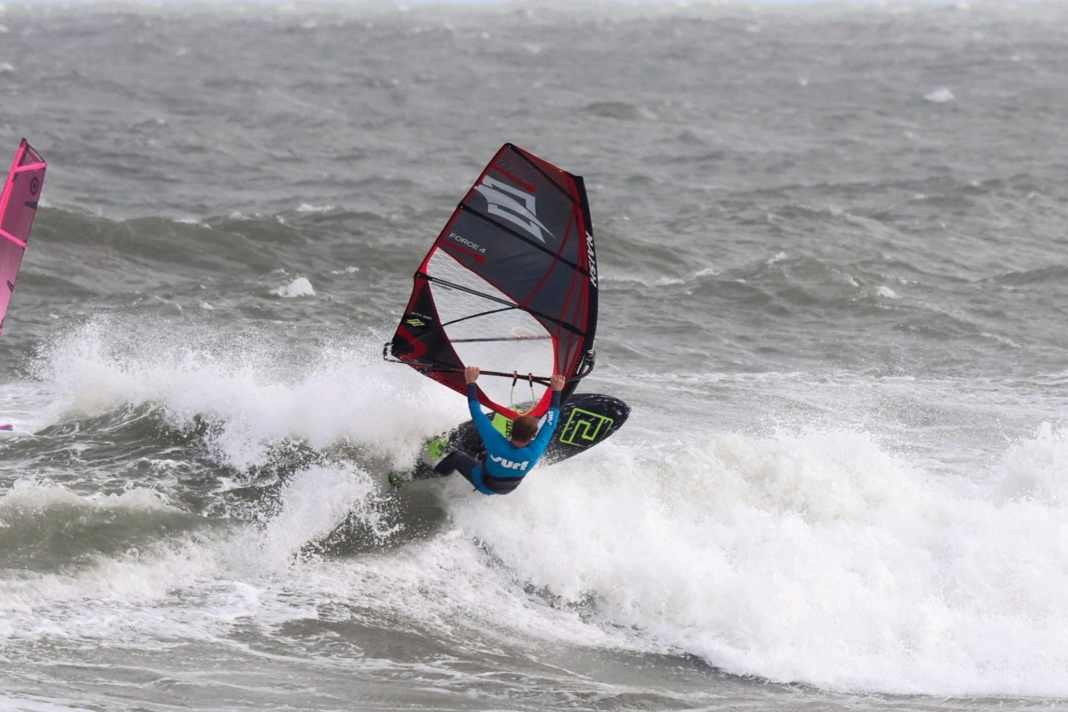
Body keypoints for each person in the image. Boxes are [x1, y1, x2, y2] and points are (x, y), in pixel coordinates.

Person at [428, 366, 565, 495]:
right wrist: (557, 391)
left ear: (511, 428)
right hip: (508, 489)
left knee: (456, 457)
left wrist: (470, 382)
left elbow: (475, 411)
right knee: (486, 450)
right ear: (534, 435)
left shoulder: (495, 442)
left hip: (483, 484)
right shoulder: (536, 450)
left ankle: (434, 476)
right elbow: (550, 424)